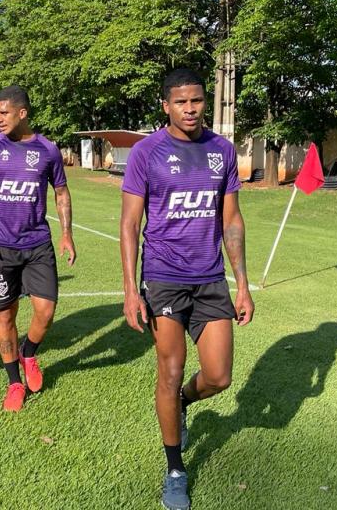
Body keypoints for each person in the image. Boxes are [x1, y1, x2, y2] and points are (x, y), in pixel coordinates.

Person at [119, 68, 255, 510]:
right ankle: (175, 467)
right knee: (170, 371)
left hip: (211, 278)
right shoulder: (147, 152)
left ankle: (180, 405)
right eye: (181, 102)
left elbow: (230, 220)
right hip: (163, 278)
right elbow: (129, 225)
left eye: (197, 100)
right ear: (166, 105)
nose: (191, 108)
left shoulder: (222, 151)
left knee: (218, 376)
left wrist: (243, 285)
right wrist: (130, 290)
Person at [0, 85, 76, 412]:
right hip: (1, 247)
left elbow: (62, 194)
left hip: (38, 243)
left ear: (22, 113)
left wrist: (67, 233)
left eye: (4, 113)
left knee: (46, 311)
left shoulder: (47, 150)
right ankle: (14, 382)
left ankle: (29, 353)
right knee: (6, 314)